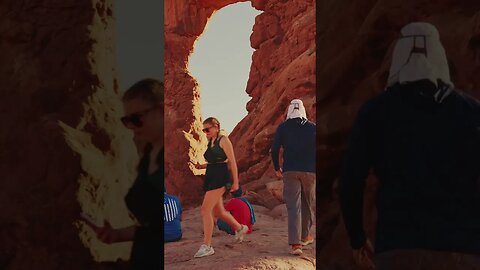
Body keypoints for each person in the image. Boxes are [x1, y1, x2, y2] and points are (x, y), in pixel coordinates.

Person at [339, 22, 480, 270]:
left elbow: (351, 180)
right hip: (463, 250)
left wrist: (357, 239)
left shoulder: (375, 111)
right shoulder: (471, 111)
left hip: (398, 247)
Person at [81, 78, 164, 269]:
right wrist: (116, 235)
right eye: (127, 121)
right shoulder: (146, 159)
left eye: (137, 119)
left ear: (161, 111)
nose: (131, 126)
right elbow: (152, 228)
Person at [192, 117, 249, 258]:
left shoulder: (223, 140)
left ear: (216, 127)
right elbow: (214, 162)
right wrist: (201, 166)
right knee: (218, 212)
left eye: (208, 129)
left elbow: (232, 162)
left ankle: (207, 246)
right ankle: (240, 228)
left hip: (221, 177)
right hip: (211, 175)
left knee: (205, 209)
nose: (205, 132)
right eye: (203, 130)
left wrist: (236, 182)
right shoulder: (210, 142)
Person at [271, 99, 316, 255]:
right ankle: (305, 236)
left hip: (290, 171)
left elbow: (275, 149)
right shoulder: (312, 127)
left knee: (293, 207)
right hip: (310, 171)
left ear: (289, 110)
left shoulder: (283, 127)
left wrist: (277, 168)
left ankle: (296, 245)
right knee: (308, 203)